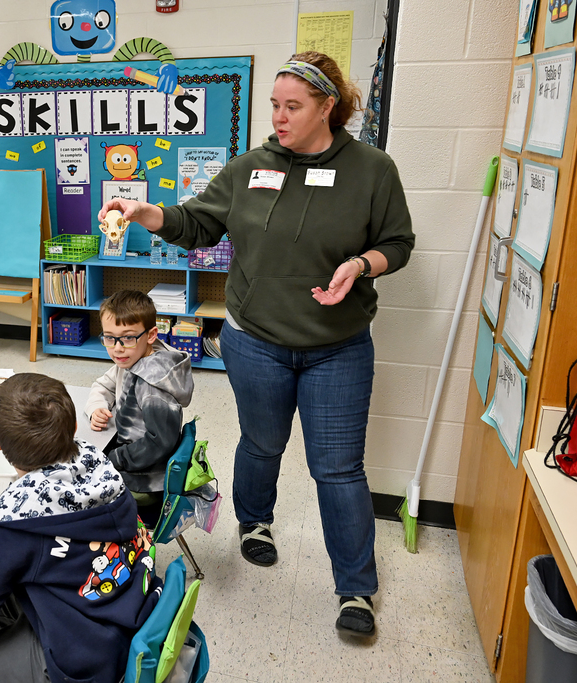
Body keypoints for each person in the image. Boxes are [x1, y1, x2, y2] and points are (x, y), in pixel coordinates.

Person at [98, 52, 415, 636]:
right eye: (275, 104)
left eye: (294, 106)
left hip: (338, 346)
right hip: (256, 341)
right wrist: (148, 213)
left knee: (338, 469)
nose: (280, 117)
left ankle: (356, 590)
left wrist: (361, 264)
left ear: (328, 107)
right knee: (262, 444)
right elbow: (197, 224)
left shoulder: (373, 170)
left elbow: (398, 242)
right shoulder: (252, 167)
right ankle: (255, 523)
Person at [0, 373, 161, 683]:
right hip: (130, 612)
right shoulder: (104, 469)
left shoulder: (19, 526)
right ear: (73, 428)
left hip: (85, 653)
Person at [84, 290, 193, 527]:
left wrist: (111, 459)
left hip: (145, 482)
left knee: (73, 487)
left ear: (151, 334)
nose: (117, 348)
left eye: (128, 337)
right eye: (109, 338)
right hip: (134, 460)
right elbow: (104, 385)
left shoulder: (152, 386)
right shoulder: (132, 358)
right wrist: (97, 407)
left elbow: (158, 443)